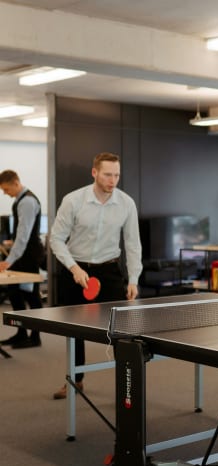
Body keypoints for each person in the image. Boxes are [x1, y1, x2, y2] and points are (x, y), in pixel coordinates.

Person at [49, 152, 142, 399]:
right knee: (74, 330)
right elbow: (56, 239)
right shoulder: (73, 200)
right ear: (94, 173)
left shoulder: (126, 203)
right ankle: (75, 380)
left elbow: (133, 244)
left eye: (117, 175)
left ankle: (126, 384)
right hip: (76, 269)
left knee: (120, 331)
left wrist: (133, 279)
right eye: (108, 175)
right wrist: (74, 268)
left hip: (109, 270)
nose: (113, 180)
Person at [0, 169, 45, 348]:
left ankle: (35, 337)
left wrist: (8, 261)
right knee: (15, 294)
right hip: (23, 254)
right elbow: (22, 232)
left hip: (29, 256)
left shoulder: (27, 201)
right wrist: (12, 243)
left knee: (31, 296)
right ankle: (21, 333)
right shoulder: (20, 200)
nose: (5, 193)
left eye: (6, 189)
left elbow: (24, 235)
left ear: (16, 183)